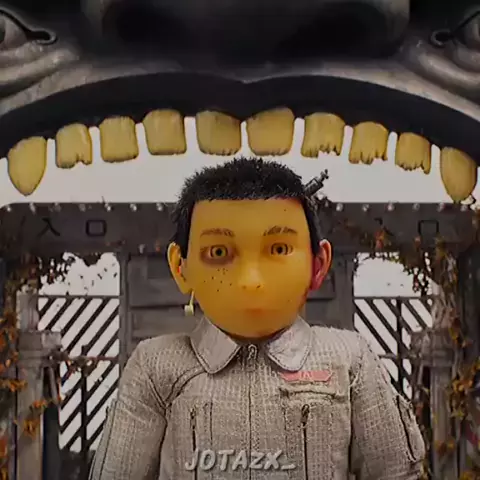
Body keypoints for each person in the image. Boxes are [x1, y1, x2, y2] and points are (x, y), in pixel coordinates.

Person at [89, 157, 425, 479]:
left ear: (317, 264)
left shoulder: (348, 360)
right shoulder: (156, 366)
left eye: (278, 249)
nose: (250, 280)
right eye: (219, 252)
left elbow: (396, 472)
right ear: (181, 267)